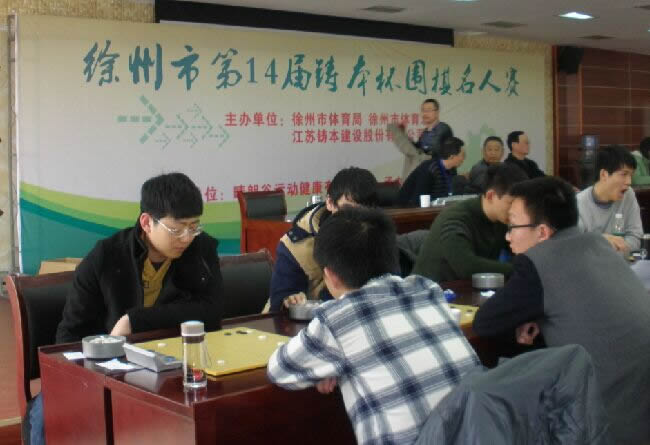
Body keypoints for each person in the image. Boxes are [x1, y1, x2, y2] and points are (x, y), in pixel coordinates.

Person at [29, 172, 224, 445]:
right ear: (146, 222)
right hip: (104, 369)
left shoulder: (201, 249)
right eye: (177, 229)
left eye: (194, 227)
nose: (187, 237)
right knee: (48, 418)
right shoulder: (105, 257)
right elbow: (69, 336)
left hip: (168, 369)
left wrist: (134, 320)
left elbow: (211, 311)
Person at [267, 207, 480, 445]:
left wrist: (328, 365)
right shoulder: (426, 288)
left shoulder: (339, 319)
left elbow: (279, 370)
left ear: (331, 276)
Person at [472, 176, 650, 445]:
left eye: (513, 226)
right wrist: (537, 313)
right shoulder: (599, 245)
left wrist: (531, 313)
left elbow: (484, 322)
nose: (508, 236)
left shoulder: (538, 262)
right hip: (640, 409)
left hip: (605, 421)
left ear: (542, 233)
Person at [268, 167, 377, 311]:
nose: (356, 220)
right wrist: (290, 300)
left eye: (363, 212)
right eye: (348, 210)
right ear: (330, 203)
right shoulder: (296, 245)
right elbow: (278, 302)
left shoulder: (378, 235)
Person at [412, 163, 528, 282]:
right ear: (491, 196)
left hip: (469, 289)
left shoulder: (500, 218)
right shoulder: (455, 218)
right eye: (511, 203)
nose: (515, 210)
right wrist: (520, 269)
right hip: (431, 290)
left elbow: (520, 249)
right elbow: (466, 266)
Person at [576, 145, 642, 253]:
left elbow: (635, 237)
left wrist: (610, 248)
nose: (629, 182)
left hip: (619, 261)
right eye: (624, 174)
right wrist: (602, 242)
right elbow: (575, 245)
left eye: (631, 175)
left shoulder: (628, 195)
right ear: (604, 175)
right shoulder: (578, 204)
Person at [388, 98, 454, 181]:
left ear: (437, 112)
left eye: (429, 110)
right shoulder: (425, 132)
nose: (425, 113)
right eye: (423, 110)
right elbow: (417, 149)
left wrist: (415, 151)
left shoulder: (443, 128)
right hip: (429, 175)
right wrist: (403, 134)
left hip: (442, 176)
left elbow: (429, 150)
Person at [397, 136, 466, 206]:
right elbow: (418, 200)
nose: (464, 159)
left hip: (437, 208)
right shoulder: (429, 169)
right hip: (407, 209)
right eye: (463, 155)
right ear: (452, 156)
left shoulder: (452, 170)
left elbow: (450, 194)